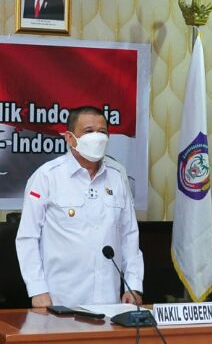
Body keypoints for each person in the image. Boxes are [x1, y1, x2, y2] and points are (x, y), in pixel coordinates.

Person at [16, 105, 143, 307]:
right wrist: (37, 289)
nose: (97, 137)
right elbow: (28, 237)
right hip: (60, 300)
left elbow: (129, 235)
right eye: (88, 131)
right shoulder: (47, 176)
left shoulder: (117, 176)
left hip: (108, 299)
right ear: (69, 138)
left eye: (102, 132)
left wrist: (133, 284)